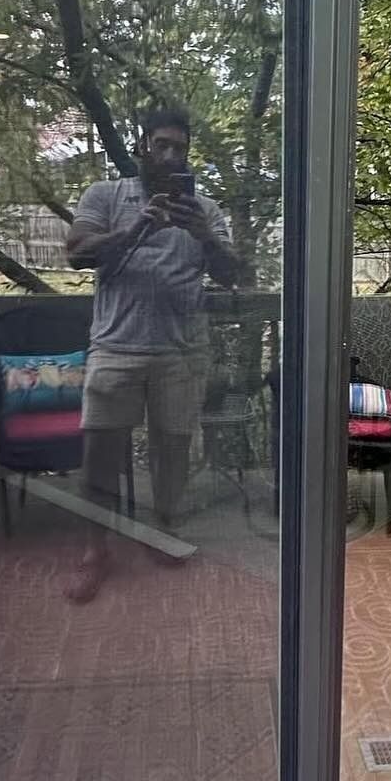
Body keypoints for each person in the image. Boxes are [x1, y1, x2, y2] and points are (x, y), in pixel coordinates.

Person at [63, 106, 242, 602]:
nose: (169, 155)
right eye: (160, 144)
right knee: (99, 454)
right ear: (141, 147)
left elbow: (232, 274)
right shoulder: (106, 195)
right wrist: (138, 228)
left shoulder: (204, 209)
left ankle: (163, 529)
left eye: (179, 148)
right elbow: (77, 252)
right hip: (115, 347)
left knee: (172, 450)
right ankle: (95, 549)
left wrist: (203, 236)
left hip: (182, 352)